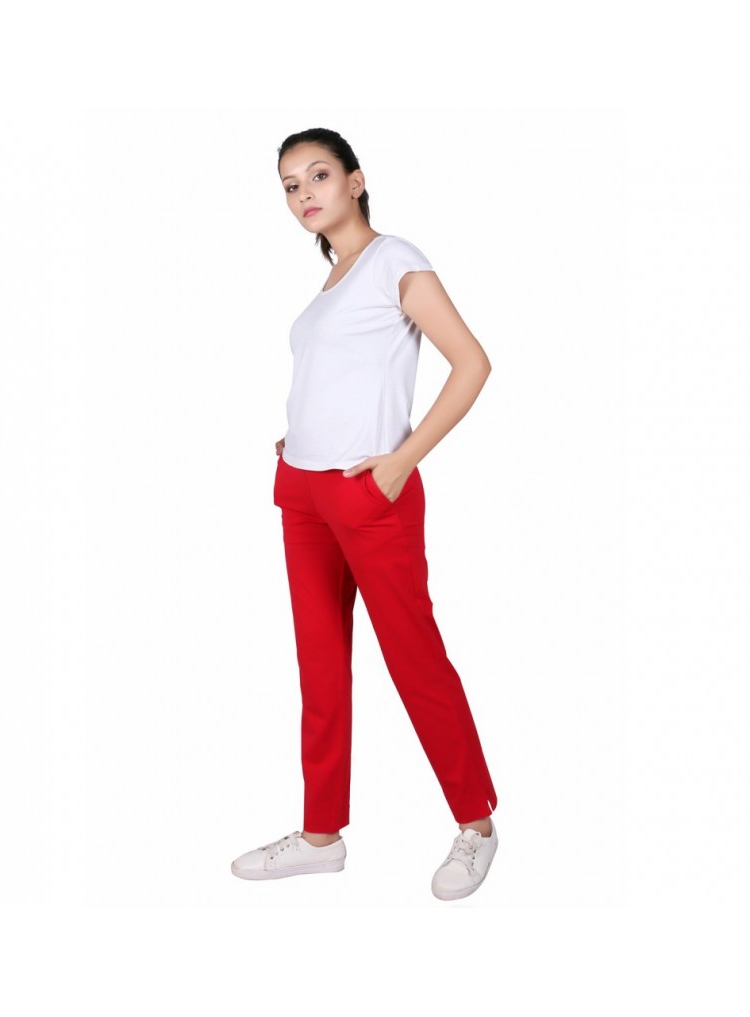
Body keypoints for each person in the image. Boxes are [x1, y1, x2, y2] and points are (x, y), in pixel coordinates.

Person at [231, 128, 499, 901]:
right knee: (319, 665)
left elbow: (473, 362)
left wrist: (401, 460)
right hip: (302, 488)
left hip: (369, 491)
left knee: (414, 657)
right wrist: (300, 437)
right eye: (290, 185)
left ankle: (476, 823)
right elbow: (338, 378)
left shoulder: (393, 260)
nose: (303, 193)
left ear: (355, 181)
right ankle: (322, 834)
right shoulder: (332, 283)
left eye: (317, 175)